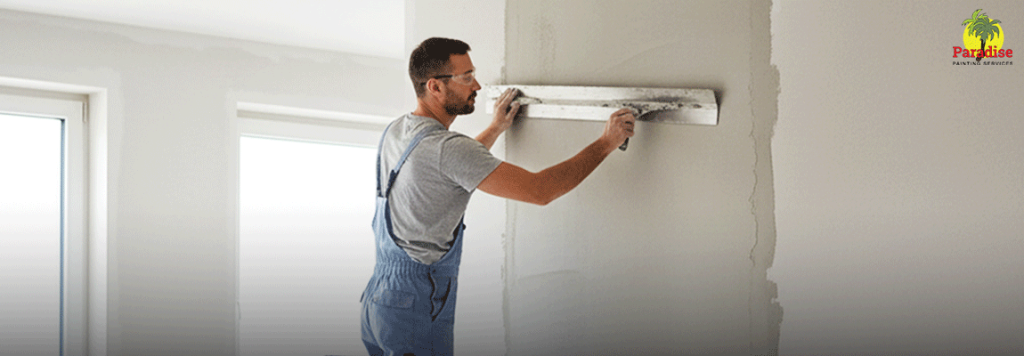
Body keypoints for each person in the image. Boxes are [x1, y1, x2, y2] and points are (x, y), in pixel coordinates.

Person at [360, 37, 635, 356]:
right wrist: (605, 142)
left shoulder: (398, 130)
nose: (476, 84)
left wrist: (495, 128)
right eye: (465, 77)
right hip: (415, 305)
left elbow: (451, 167)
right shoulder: (448, 150)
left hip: (380, 302)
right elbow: (539, 191)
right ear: (435, 87)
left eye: (473, 73)